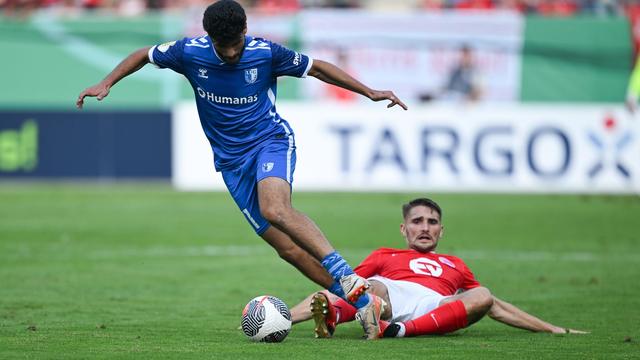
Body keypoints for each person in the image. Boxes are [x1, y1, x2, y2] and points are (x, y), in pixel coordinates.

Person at [76, 0, 406, 340]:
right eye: (224, 46)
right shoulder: (188, 52)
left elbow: (317, 67)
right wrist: (107, 82)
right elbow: (144, 54)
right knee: (287, 248)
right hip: (231, 163)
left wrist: (369, 92)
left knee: (276, 209)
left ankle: (347, 277)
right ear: (209, 38)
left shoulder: (266, 53)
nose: (232, 53)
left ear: (245, 31)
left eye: (236, 44)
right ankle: (364, 302)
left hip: (270, 141)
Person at [290, 198, 586, 339]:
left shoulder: (455, 265)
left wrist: (551, 328)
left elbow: (494, 307)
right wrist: (287, 318)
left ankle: (396, 330)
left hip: (434, 306)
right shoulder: (385, 255)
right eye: (417, 221)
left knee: (482, 294)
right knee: (370, 286)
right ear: (404, 229)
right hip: (389, 297)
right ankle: (336, 315)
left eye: (432, 222)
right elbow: (343, 285)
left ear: (441, 231)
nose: (425, 228)